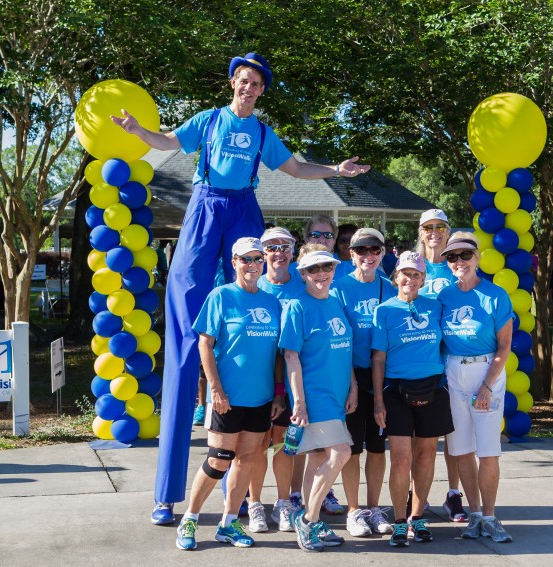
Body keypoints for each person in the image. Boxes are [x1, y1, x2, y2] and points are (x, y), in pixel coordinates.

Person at [111, 53, 370, 525]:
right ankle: (167, 494)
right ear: (233, 83)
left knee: (258, 295)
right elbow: (166, 139)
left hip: (243, 207)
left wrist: (336, 169)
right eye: (242, 81)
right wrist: (137, 133)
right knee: (189, 324)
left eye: (255, 84)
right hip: (206, 205)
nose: (247, 88)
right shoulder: (209, 120)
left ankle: (262, 497)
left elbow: (294, 169)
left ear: (261, 91)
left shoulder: (262, 134)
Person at [175, 237, 284, 551]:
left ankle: (228, 523)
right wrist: (216, 391)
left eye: (256, 259)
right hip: (226, 399)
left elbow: (278, 354)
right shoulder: (221, 296)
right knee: (218, 460)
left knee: (247, 460)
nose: (252, 265)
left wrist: (278, 394)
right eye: (245, 260)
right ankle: (191, 519)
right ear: (234, 263)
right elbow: (204, 345)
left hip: (261, 399)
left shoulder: (271, 302)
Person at [437, 232, 514, 543]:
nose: (459, 262)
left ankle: (492, 516)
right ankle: (475, 514)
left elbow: (505, 345)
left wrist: (486, 386)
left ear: (478, 258)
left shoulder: (496, 295)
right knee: (462, 450)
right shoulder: (444, 296)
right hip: (454, 371)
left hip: (487, 372)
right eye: (452, 257)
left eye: (465, 255)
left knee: (488, 450)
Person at [372, 251, 452, 547]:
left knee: (427, 455)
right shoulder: (384, 310)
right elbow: (378, 359)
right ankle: (397, 521)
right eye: (405, 273)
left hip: (433, 387)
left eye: (417, 274)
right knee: (401, 458)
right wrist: (379, 400)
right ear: (396, 277)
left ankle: (417, 518)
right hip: (396, 390)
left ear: (423, 279)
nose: (411, 279)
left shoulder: (435, 306)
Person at [280, 246, 357, 552]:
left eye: (326, 267)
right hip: (314, 396)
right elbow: (290, 356)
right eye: (313, 270)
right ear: (303, 275)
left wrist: (352, 387)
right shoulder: (297, 306)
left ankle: (313, 522)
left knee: (316, 459)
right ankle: (308, 520)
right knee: (341, 453)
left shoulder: (336, 302)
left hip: (338, 395)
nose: (321, 274)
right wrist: (298, 401)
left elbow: (346, 349)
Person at [330, 228, 396, 537]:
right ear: (351, 254)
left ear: (382, 253)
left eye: (374, 250)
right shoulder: (339, 289)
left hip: (382, 377)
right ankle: (354, 510)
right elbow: (337, 341)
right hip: (350, 375)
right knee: (353, 448)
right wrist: (351, 384)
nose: (367, 255)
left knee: (378, 447)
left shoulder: (390, 288)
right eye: (361, 250)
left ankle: (373, 508)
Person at [414, 208, 464, 521]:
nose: (434, 232)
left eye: (440, 226)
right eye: (429, 227)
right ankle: (415, 497)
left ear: (447, 231)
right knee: (420, 439)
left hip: (453, 364)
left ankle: (454, 494)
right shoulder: (413, 266)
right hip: (420, 365)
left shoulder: (455, 266)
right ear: (421, 232)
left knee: (453, 436)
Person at [256, 226, 307, 531]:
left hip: (294, 382)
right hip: (258, 381)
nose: (278, 253)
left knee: (287, 445)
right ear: (263, 254)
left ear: (292, 251)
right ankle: (253, 504)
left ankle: (284, 501)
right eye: (272, 248)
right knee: (256, 447)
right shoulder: (254, 285)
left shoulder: (304, 283)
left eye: (284, 247)